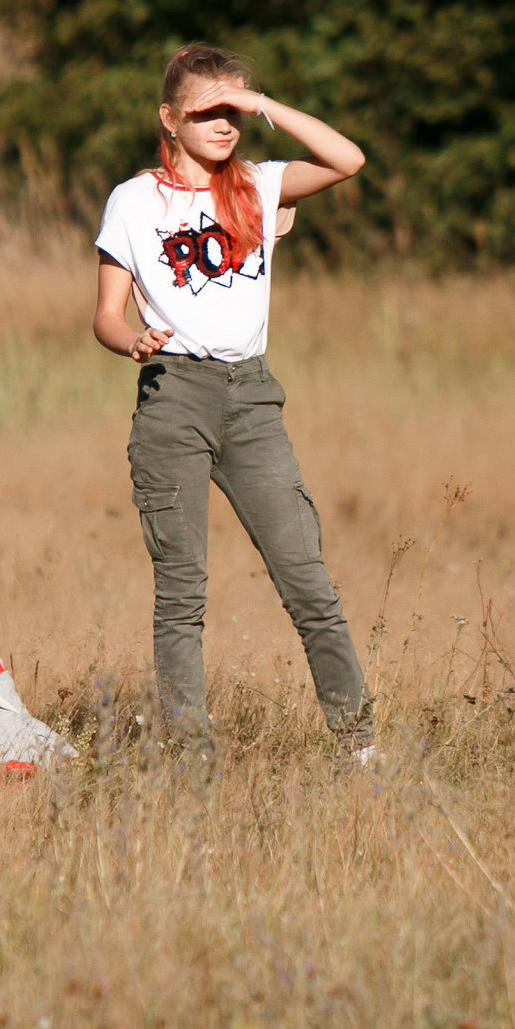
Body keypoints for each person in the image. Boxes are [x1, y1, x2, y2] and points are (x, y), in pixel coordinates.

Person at [91, 43, 375, 755]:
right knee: (181, 593)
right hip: (173, 397)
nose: (226, 123)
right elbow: (104, 316)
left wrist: (265, 105)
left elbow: (348, 160)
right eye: (208, 110)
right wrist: (131, 342)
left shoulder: (260, 183)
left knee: (307, 581)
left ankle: (360, 747)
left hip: (250, 399)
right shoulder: (133, 200)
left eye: (235, 111)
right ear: (169, 118)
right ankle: (192, 759)